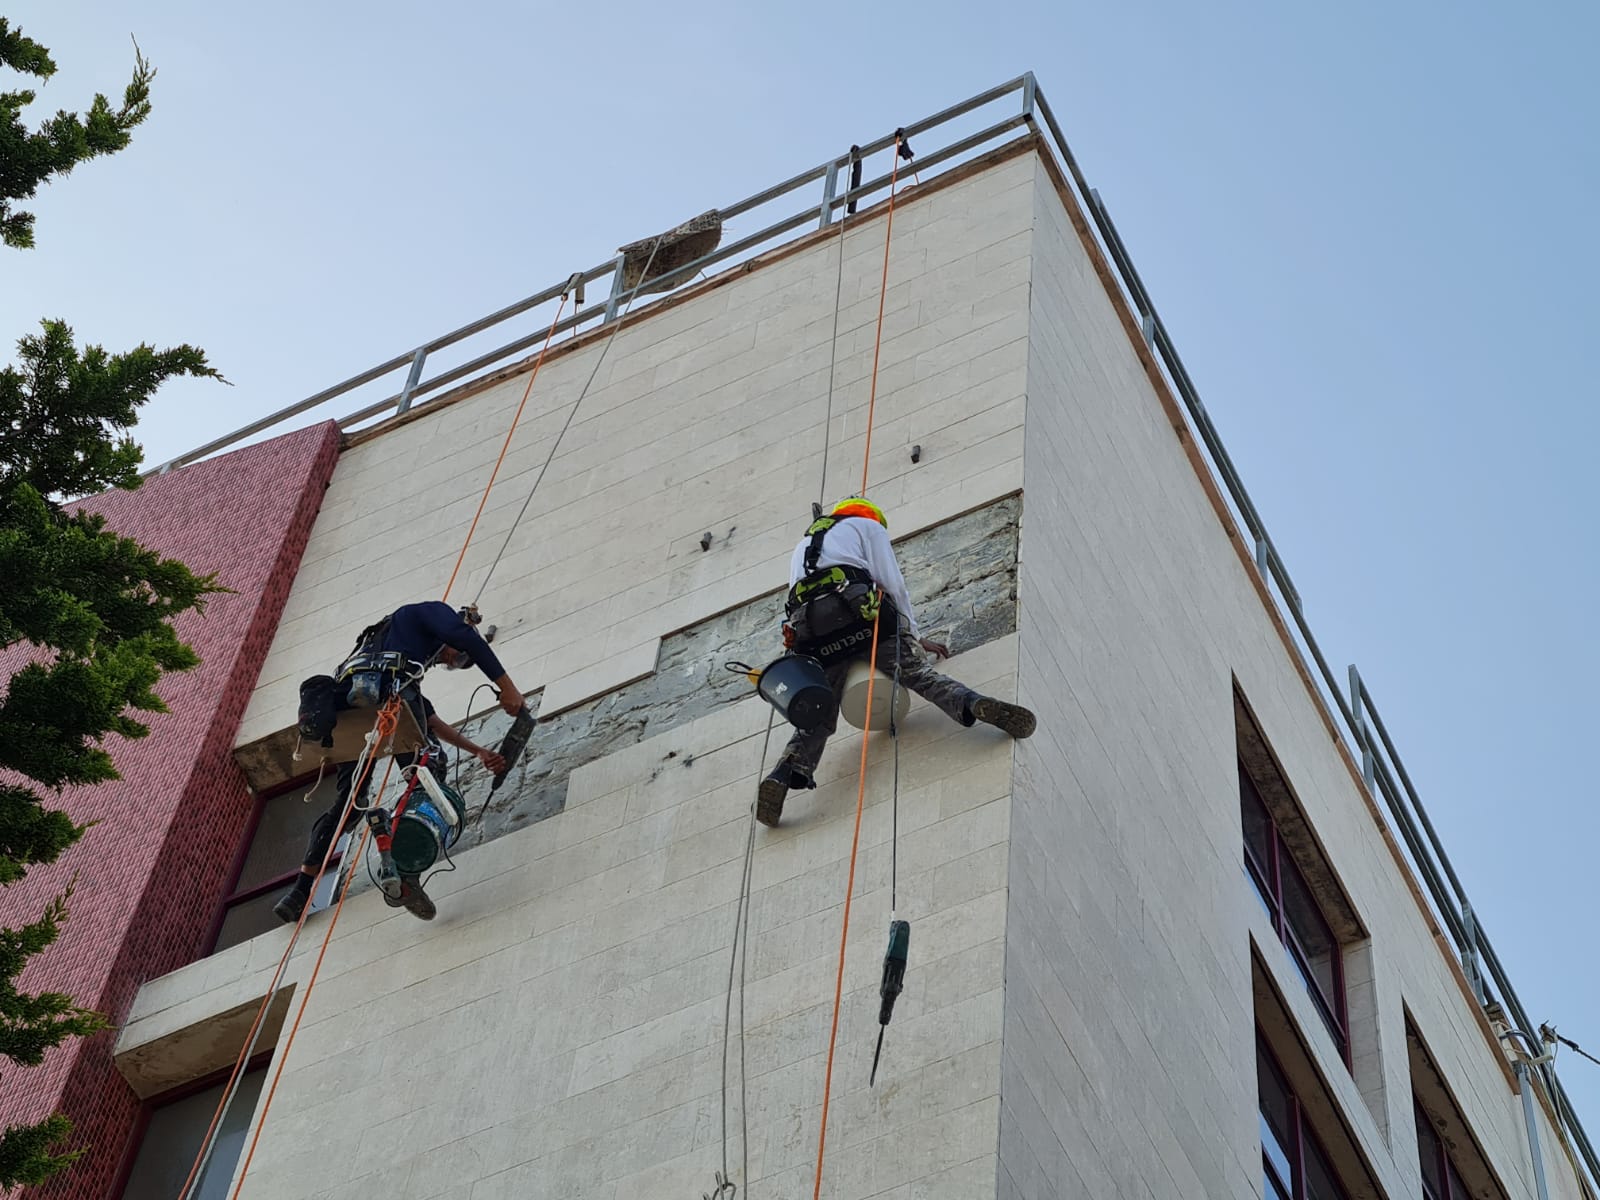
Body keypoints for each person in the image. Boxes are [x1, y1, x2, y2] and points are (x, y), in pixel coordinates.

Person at [758, 497, 1036, 827]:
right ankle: (973, 703)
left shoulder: (802, 545)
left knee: (818, 713)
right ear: (871, 514)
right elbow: (892, 583)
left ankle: (783, 772)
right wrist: (914, 636)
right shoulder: (866, 526)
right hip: (859, 617)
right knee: (917, 674)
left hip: (813, 631)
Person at [273, 601, 524, 922]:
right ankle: (406, 870)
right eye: (458, 656)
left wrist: (477, 750)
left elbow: (428, 718)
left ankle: (300, 891)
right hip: (388, 698)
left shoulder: (389, 648)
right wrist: (508, 688)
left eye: (458, 663)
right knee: (429, 770)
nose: (451, 660)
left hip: (350, 708)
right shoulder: (424, 614)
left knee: (350, 801)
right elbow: (465, 638)